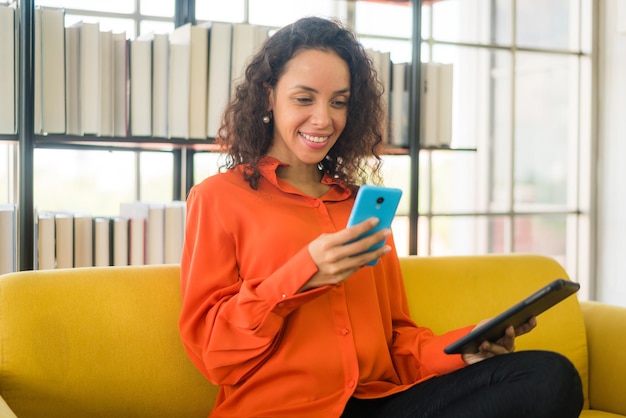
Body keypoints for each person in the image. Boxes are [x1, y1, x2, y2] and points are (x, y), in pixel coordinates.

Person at [178, 16, 583, 418]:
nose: (324, 119)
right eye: (304, 99)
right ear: (269, 95)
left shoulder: (361, 206)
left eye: (339, 102)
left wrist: (467, 348)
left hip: (380, 402)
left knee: (548, 375)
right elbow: (214, 354)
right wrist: (303, 273)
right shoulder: (218, 198)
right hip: (282, 408)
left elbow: (399, 342)